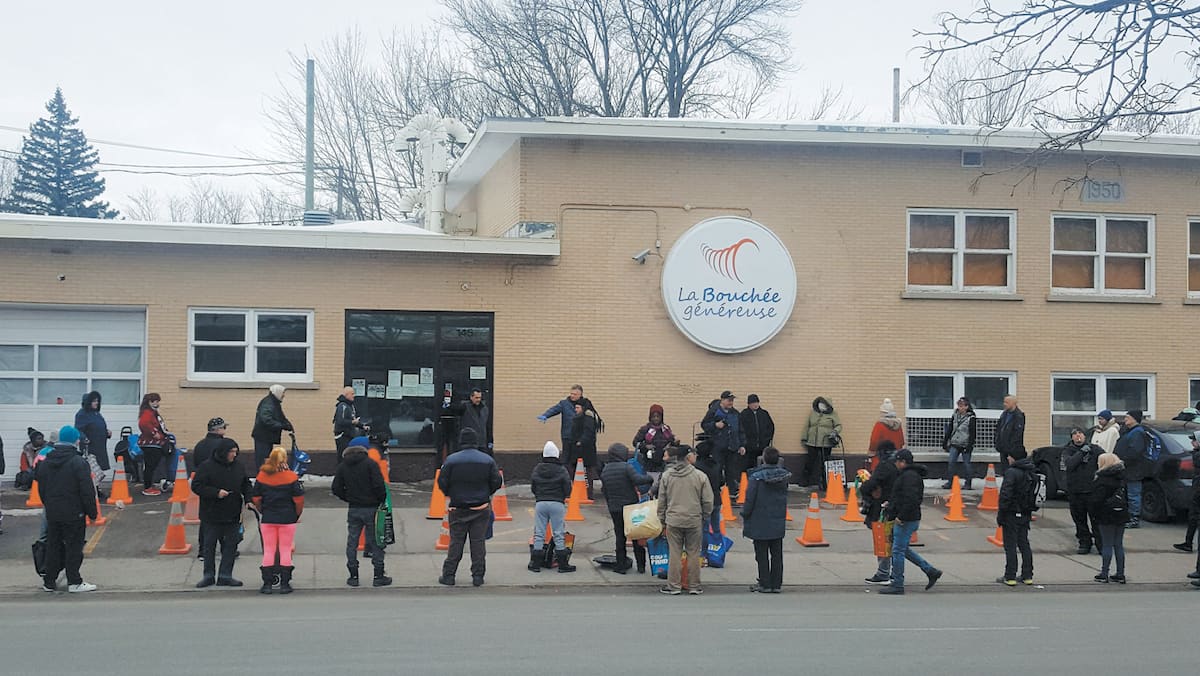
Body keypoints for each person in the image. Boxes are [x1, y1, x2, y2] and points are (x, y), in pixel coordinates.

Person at [36, 426, 98, 592]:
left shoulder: (46, 461)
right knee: (74, 547)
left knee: (53, 546)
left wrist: (49, 505)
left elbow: (41, 487)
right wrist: (92, 513)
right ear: (75, 441)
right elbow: (87, 491)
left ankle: (49, 581)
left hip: (53, 512)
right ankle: (74, 581)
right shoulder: (78, 462)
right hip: (74, 512)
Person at [438, 428, 502, 587]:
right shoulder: (487, 460)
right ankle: (478, 576)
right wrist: (486, 493)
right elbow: (496, 482)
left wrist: (451, 494)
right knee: (478, 543)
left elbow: (442, 482)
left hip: (458, 507)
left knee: (456, 543)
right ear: (475, 441)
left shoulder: (451, 460)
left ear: (461, 441)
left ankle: (449, 575)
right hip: (480, 507)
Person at [878, 449, 943, 595]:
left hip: (906, 519)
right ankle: (930, 571)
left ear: (903, 462)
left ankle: (897, 583)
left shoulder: (909, 476)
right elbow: (903, 496)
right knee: (902, 549)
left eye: (897, 461)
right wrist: (891, 504)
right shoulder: (909, 475)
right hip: (909, 517)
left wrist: (901, 516)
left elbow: (911, 499)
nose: (895, 464)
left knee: (897, 551)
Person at [191, 438, 251, 588]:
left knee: (231, 546)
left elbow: (246, 484)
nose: (234, 455)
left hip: (232, 513)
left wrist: (249, 499)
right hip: (211, 513)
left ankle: (225, 575)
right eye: (231, 452)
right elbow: (197, 486)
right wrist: (215, 493)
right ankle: (208, 575)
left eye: (236, 452)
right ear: (223, 452)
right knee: (209, 546)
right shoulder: (206, 466)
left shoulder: (238, 466)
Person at [656, 445, 713, 595]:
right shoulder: (700, 476)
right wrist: (704, 516)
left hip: (673, 519)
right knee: (693, 552)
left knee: (674, 552)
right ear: (688, 457)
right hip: (694, 519)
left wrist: (662, 520)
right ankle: (694, 585)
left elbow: (662, 500)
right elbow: (708, 501)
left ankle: (674, 586)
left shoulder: (667, 476)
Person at [332, 444, 391, 587]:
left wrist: (348, 498)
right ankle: (378, 575)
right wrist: (380, 500)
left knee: (352, 542)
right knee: (376, 541)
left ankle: (353, 575)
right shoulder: (371, 464)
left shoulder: (343, 466)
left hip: (354, 508)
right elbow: (379, 485)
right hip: (372, 508)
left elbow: (336, 488)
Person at [252, 447, 304, 594]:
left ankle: (267, 584)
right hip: (287, 518)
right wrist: (296, 514)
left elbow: (256, 497)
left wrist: (262, 510)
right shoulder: (291, 476)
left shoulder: (262, 475)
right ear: (285, 459)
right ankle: (285, 584)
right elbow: (299, 499)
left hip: (268, 517)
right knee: (285, 550)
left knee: (269, 550)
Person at [742, 446, 791, 593]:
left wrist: (745, 513)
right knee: (777, 554)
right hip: (777, 518)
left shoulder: (756, 478)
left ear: (763, 459)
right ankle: (776, 583)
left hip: (759, 519)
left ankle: (765, 582)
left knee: (761, 554)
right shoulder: (784, 477)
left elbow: (750, 498)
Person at [600, 442, 653, 574]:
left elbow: (604, 490)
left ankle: (621, 565)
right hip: (630, 507)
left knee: (620, 536)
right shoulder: (626, 467)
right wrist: (649, 478)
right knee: (636, 534)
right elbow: (638, 480)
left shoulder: (605, 469)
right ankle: (641, 566)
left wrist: (610, 503)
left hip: (615, 508)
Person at [528, 441, 574, 573]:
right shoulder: (561, 469)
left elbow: (533, 486)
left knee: (539, 533)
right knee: (558, 533)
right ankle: (562, 564)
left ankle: (535, 563)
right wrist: (563, 496)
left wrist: (539, 495)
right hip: (557, 503)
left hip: (541, 503)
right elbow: (567, 487)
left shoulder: (537, 469)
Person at [860, 439, 900, 584]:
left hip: (881, 509)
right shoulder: (899, 466)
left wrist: (864, 487)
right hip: (895, 508)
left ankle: (883, 573)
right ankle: (897, 572)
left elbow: (871, 484)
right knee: (895, 544)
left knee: (882, 541)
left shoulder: (884, 466)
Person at [996, 447, 1036, 586]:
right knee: (1024, 544)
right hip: (1026, 513)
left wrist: (1001, 513)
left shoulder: (1012, 472)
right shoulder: (1031, 471)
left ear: (1014, 457)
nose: (1007, 458)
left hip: (1011, 513)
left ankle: (1010, 576)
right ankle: (1027, 575)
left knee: (1010, 545)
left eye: (1009, 456)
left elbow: (1005, 494)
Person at [1089, 453, 1128, 583]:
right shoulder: (1121, 477)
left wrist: (1094, 514)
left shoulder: (1102, 479)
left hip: (1106, 515)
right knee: (1118, 544)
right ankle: (1120, 573)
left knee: (1107, 544)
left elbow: (1096, 500)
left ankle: (1104, 573)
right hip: (1121, 513)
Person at [701, 391, 747, 500]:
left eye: (732, 400)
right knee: (717, 469)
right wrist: (715, 425)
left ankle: (732, 492)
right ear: (722, 400)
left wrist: (742, 445)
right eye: (729, 400)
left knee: (731, 470)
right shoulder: (713, 411)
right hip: (718, 447)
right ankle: (716, 492)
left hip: (732, 446)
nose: (731, 402)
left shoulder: (735, 413)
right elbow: (704, 425)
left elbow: (740, 430)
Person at [1063, 427, 1102, 554]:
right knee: (1080, 520)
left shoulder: (1094, 449)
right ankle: (1085, 543)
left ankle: (1101, 544)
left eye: (1080, 433)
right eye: (1074, 434)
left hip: (1092, 491)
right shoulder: (1068, 450)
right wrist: (1081, 453)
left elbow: (1106, 460)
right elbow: (1070, 464)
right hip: (1075, 491)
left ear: (1085, 436)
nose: (1078, 436)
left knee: (1096, 520)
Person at [1113, 410, 1149, 528]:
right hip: (1126, 469)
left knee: (1133, 494)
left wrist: (1122, 461)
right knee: (1127, 494)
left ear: (1134, 419)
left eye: (1127, 417)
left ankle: (1134, 518)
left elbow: (1135, 452)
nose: (1125, 419)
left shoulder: (1137, 433)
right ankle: (1127, 516)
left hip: (1133, 469)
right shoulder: (1129, 431)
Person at [800, 396, 841, 492]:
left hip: (825, 442)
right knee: (809, 462)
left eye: (823, 404)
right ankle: (805, 480)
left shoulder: (833, 414)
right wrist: (804, 437)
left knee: (824, 463)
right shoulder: (813, 413)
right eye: (820, 403)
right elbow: (807, 425)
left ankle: (824, 482)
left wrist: (834, 432)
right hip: (812, 442)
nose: (821, 405)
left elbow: (838, 425)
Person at [137, 392, 172, 496]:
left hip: (153, 443)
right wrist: (154, 433)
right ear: (148, 402)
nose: (156, 403)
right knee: (150, 466)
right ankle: (147, 488)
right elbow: (143, 424)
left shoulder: (152, 412)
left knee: (151, 466)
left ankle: (149, 485)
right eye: (153, 401)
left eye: (157, 401)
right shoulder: (148, 413)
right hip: (151, 444)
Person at [633, 403, 675, 489]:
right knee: (650, 486)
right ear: (650, 417)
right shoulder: (645, 429)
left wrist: (672, 444)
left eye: (658, 416)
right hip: (648, 463)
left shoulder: (666, 429)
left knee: (662, 485)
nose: (656, 418)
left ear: (661, 417)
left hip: (663, 462)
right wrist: (645, 446)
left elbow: (671, 441)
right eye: (653, 416)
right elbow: (635, 442)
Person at [568, 397, 601, 499]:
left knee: (586, 472)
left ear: (583, 408)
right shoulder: (582, 417)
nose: (575, 410)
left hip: (584, 450)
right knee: (580, 471)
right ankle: (583, 492)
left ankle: (586, 493)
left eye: (577, 407)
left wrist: (580, 442)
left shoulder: (587, 418)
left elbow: (588, 433)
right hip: (581, 449)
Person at [252, 384, 292, 468]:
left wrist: (286, 423)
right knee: (263, 460)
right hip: (263, 436)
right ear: (277, 392)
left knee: (266, 459)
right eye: (283, 393)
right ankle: (263, 475)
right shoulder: (269, 403)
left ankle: (265, 474)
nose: (284, 395)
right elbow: (266, 420)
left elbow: (280, 416)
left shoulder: (274, 402)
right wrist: (282, 425)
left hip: (266, 436)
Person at [941, 397, 977, 490]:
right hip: (955, 443)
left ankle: (968, 483)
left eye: (962, 406)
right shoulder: (955, 415)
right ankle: (950, 482)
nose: (960, 408)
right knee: (951, 462)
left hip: (965, 444)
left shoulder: (971, 418)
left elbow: (973, 433)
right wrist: (945, 442)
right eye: (959, 406)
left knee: (966, 464)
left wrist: (970, 445)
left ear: (966, 407)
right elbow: (950, 429)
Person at [1173, 431, 1200, 554]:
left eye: (1194, 440)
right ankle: (1188, 542)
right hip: (1196, 487)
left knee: (1194, 516)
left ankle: (1188, 542)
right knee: (1193, 517)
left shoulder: (1197, 455)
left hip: (1198, 490)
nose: (1192, 443)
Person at [445, 387, 493, 455]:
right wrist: (447, 403)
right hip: (468, 443)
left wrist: (490, 440)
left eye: (480, 398)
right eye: (476, 398)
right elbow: (453, 409)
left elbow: (487, 425)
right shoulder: (464, 406)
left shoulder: (484, 409)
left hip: (482, 443)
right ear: (471, 397)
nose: (478, 400)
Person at [539, 385, 583, 454]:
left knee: (578, 456)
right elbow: (554, 409)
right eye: (571, 393)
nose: (572, 396)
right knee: (566, 455)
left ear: (580, 395)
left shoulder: (584, 404)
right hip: (567, 435)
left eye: (575, 394)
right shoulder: (564, 403)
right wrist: (546, 415)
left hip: (580, 436)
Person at [74, 390, 110, 473]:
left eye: (97, 401)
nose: (96, 403)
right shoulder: (82, 414)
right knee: (90, 469)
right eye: (94, 401)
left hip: (100, 446)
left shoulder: (97, 414)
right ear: (88, 402)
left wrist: (106, 432)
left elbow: (98, 427)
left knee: (99, 470)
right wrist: (84, 438)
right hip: (90, 447)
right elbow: (78, 429)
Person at [693, 443, 724, 535]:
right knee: (716, 527)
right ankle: (717, 541)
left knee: (704, 528)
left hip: (702, 500)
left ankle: (704, 544)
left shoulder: (696, 467)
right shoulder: (716, 464)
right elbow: (722, 481)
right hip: (716, 497)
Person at [739, 394, 775, 472]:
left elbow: (770, 427)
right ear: (749, 404)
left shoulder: (764, 414)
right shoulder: (744, 414)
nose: (755, 404)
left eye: (756, 402)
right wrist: (744, 443)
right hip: (749, 448)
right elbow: (740, 430)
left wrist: (767, 440)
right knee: (748, 467)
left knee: (761, 467)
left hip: (762, 446)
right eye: (753, 403)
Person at [868, 398, 905, 471]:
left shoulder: (879, 425)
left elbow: (874, 441)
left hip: (880, 459)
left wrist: (871, 452)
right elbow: (901, 441)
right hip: (895, 459)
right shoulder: (898, 425)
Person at [333, 386, 365, 464]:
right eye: (352, 394)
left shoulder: (350, 406)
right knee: (343, 456)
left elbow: (353, 420)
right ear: (346, 395)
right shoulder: (342, 406)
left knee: (349, 456)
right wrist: (353, 422)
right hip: (342, 436)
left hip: (349, 436)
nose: (354, 396)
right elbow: (340, 421)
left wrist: (362, 426)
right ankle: (340, 470)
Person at [995, 395, 1026, 470]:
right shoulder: (1004, 414)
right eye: (1004, 402)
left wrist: (1011, 453)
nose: (1004, 404)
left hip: (1012, 451)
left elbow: (1017, 436)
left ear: (1013, 403)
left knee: (1011, 471)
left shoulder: (1018, 416)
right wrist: (997, 443)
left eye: (1007, 402)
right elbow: (999, 429)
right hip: (1003, 449)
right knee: (1004, 470)